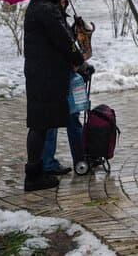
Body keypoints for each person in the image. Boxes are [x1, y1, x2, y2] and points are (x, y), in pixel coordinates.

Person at [23, 0, 91, 192]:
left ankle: (37, 170)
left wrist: (68, 22)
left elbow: (56, 37)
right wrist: (80, 61)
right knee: (40, 125)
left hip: (42, 74)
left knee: (40, 124)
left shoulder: (39, 8)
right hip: (46, 76)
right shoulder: (46, 10)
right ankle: (34, 175)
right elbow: (64, 42)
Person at [42, 11, 91, 175]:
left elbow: (66, 41)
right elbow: (63, 44)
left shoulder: (57, 15)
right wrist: (81, 62)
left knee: (72, 117)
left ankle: (80, 158)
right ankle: (48, 162)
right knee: (54, 119)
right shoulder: (50, 14)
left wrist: (75, 30)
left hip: (64, 73)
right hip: (56, 74)